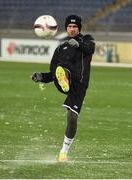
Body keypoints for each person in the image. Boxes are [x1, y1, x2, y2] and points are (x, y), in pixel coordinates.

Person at [31, 14, 95, 162]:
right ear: (66, 28)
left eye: (75, 27)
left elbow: (90, 49)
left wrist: (77, 44)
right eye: (69, 27)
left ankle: (63, 152)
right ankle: (64, 78)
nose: (72, 29)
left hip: (79, 85)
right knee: (59, 70)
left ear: (79, 28)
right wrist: (42, 76)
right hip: (63, 81)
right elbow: (53, 73)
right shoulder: (60, 48)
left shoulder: (87, 39)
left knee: (72, 118)